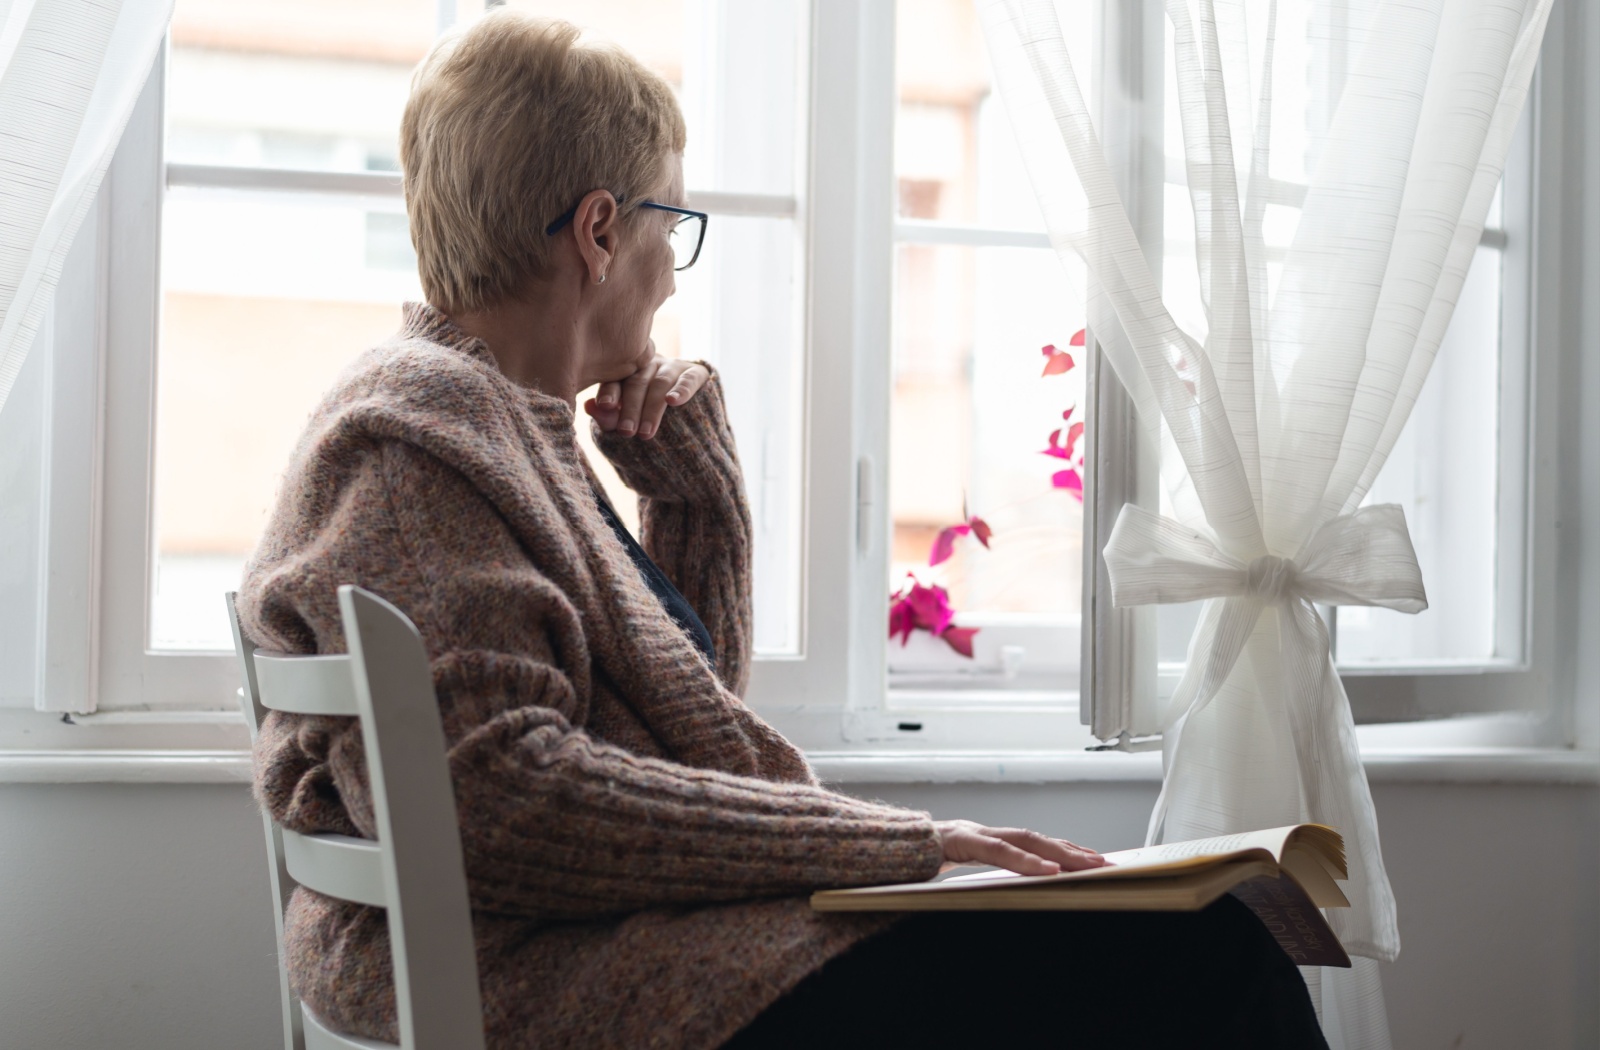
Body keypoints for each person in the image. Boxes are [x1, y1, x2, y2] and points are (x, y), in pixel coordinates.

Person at [236, 11, 1328, 1049]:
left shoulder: (497, 423)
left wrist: (692, 499)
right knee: (1216, 959)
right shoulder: (420, 440)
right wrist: (912, 844)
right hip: (531, 968)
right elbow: (503, 805)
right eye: (676, 223)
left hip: (580, 941)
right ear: (602, 232)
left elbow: (689, 731)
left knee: (1203, 948)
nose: (674, 271)